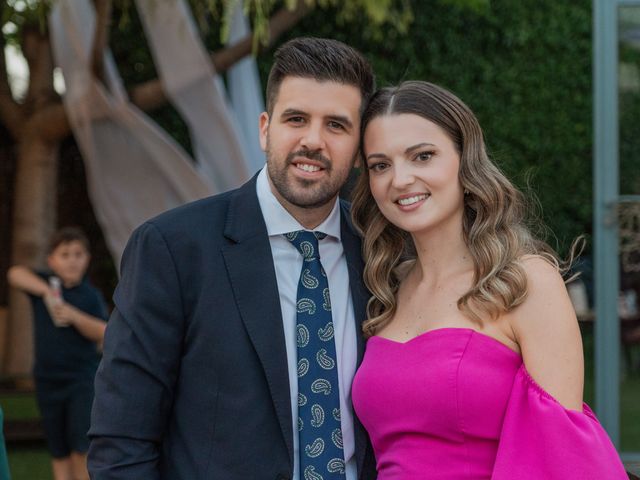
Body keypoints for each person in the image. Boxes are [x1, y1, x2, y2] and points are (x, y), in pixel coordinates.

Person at [88, 37, 378, 479]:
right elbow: (121, 440)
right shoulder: (172, 248)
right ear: (265, 129)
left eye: (336, 125)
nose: (312, 141)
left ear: (359, 148)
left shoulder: (380, 253)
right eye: (295, 119)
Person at [349, 81, 628, 479]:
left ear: (465, 160)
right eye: (380, 165)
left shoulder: (526, 282)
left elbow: (561, 458)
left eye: (422, 156)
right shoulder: (385, 288)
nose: (401, 179)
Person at [7, 227, 108, 480]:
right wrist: (46, 292)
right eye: (65, 254)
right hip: (47, 380)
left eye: (78, 254)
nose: (72, 260)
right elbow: (15, 273)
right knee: (58, 449)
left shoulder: (90, 296)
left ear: (87, 259)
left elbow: (105, 332)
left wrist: (72, 315)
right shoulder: (45, 286)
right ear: (51, 260)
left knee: (80, 447)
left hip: (81, 381)